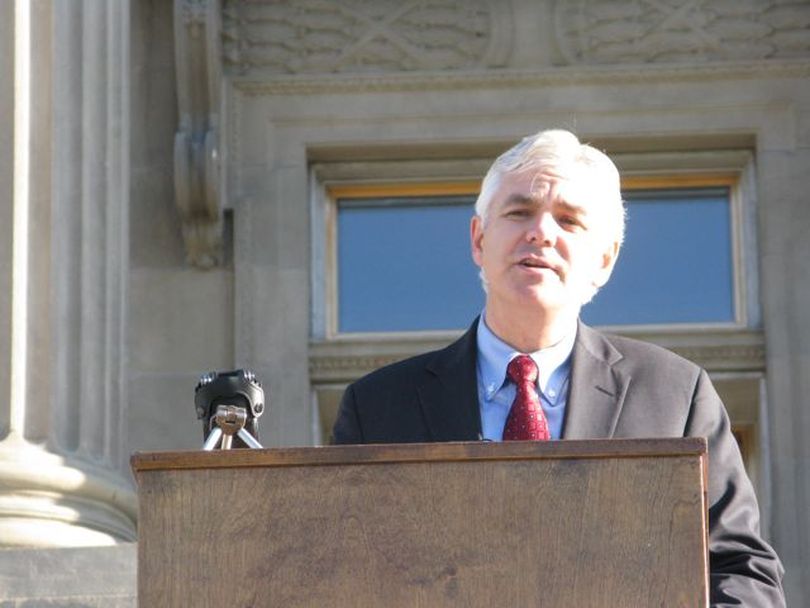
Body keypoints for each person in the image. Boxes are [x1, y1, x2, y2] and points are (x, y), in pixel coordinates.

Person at [331, 129, 785, 606]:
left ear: (604, 259)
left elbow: (742, 571)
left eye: (569, 221)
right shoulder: (378, 407)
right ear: (479, 239)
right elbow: (330, 573)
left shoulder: (675, 396)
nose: (541, 232)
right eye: (519, 212)